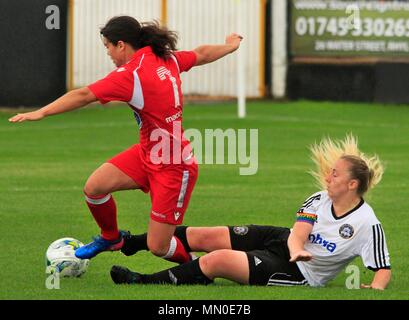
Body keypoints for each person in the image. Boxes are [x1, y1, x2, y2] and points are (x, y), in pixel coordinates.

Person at [8, 16, 243, 264]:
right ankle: (111, 237)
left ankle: (196, 268)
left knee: (158, 246)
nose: (108, 52)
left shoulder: (132, 74)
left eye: (108, 46)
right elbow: (201, 54)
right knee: (95, 188)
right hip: (148, 152)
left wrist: (42, 112)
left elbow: (84, 94)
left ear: (121, 45)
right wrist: (229, 46)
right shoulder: (165, 57)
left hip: (173, 166)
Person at [110, 135, 392, 289]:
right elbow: (300, 234)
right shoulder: (318, 199)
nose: (327, 177)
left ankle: (142, 281)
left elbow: (383, 268)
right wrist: (295, 246)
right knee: (204, 236)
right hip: (282, 241)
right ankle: (129, 243)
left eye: (335, 174)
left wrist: (376, 289)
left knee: (216, 260)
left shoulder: (367, 224)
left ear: (352, 185)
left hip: (297, 272)